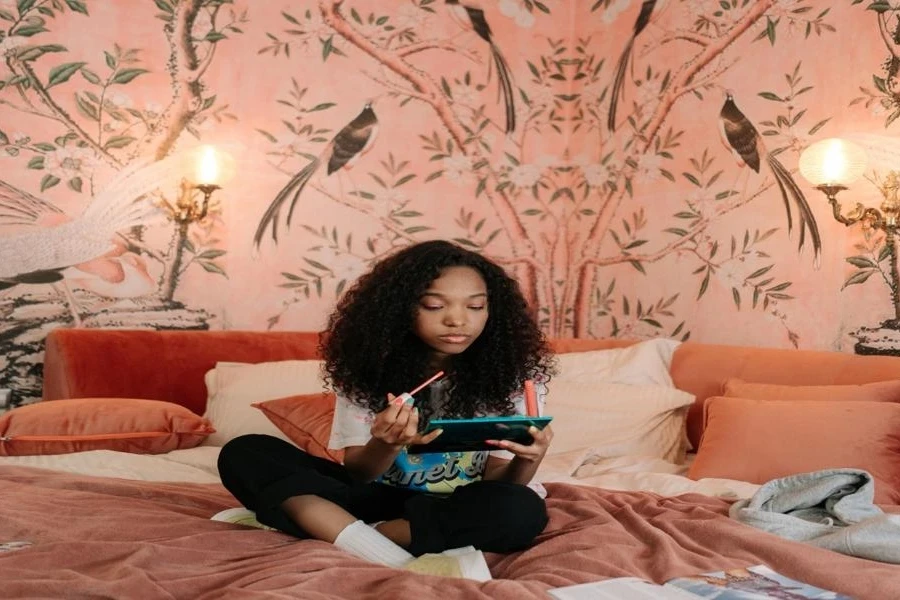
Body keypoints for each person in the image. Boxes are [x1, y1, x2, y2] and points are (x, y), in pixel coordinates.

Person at [217, 239, 556, 568]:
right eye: (435, 306)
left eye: (475, 306)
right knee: (246, 452)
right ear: (401, 309)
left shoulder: (512, 378)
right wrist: (385, 443)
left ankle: (357, 535)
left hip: (462, 503)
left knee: (521, 510)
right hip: (378, 499)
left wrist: (529, 460)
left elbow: (499, 485)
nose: (458, 320)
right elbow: (360, 473)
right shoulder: (368, 368)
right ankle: (383, 543)